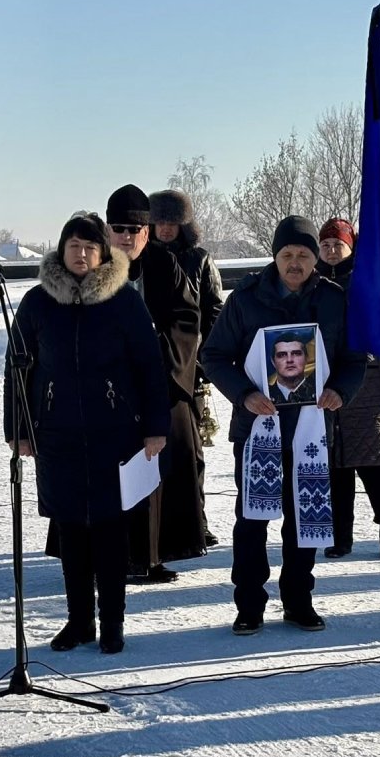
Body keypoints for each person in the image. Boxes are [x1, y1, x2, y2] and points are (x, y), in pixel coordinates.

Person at [5, 213, 170, 654]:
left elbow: (150, 367)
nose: (80, 254)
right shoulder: (38, 302)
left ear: (102, 254)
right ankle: (79, 622)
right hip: (56, 434)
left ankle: (112, 623)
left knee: (111, 534)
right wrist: (19, 430)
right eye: (73, 245)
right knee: (72, 534)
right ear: (62, 250)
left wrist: (156, 428)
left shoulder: (123, 302)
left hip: (115, 433)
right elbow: (17, 371)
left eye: (89, 247)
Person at [201, 215, 366, 635]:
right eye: (287, 254)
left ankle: (298, 600)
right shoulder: (246, 298)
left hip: (310, 431)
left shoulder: (333, 299)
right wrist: (244, 393)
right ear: (275, 256)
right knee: (253, 520)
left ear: (315, 259)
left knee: (303, 519)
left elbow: (353, 358)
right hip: (259, 429)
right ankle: (249, 604)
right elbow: (214, 355)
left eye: (304, 255)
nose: (295, 262)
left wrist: (340, 392)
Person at [103, 184, 206, 582]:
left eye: (136, 229)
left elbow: (188, 320)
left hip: (160, 384)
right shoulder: (93, 266)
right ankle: (113, 557)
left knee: (160, 471)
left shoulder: (166, 265)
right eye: (120, 228)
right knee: (111, 477)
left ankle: (154, 554)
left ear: (148, 233)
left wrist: (152, 348)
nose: (127, 236)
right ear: (108, 231)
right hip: (108, 393)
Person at [316, 217, 380, 560]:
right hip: (326, 386)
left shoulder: (372, 280)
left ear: (351, 247)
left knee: (379, 467)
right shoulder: (311, 284)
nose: (331, 251)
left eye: (337, 245)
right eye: (325, 245)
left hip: (373, 387)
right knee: (335, 468)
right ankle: (340, 537)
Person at [149, 188, 224, 543]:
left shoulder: (199, 259)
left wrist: (206, 359)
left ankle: (198, 517)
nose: (165, 229)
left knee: (191, 451)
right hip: (152, 365)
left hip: (190, 367)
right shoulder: (141, 260)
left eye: (171, 222)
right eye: (159, 221)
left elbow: (213, 311)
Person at [267, 333, 318, 405]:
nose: (289, 360)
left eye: (296, 353)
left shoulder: (321, 390)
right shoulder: (263, 395)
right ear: (273, 362)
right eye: (282, 355)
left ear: (306, 358)